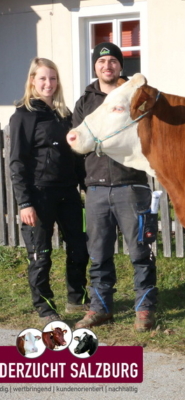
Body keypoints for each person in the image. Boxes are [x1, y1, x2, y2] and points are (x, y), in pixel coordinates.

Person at [73, 42, 158, 332]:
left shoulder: (136, 97)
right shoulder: (86, 102)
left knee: (140, 251)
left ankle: (145, 308)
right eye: (101, 61)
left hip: (131, 185)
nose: (106, 66)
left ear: (121, 66)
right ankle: (100, 307)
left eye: (112, 61)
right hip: (96, 188)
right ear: (95, 67)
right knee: (98, 254)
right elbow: (79, 142)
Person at [9, 57, 89, 325]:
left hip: (68, 193)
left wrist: (85, 187)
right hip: (39, 195)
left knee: (79, 248)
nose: (48, 83)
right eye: (42, 78)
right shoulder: (23, 115)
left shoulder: (64, 115)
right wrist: (24, 203)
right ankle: (44, 307)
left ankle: (76, 299)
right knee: (40, 255)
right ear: (32, 80)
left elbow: (75, 157)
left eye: (53, 78)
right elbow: (17, 162)